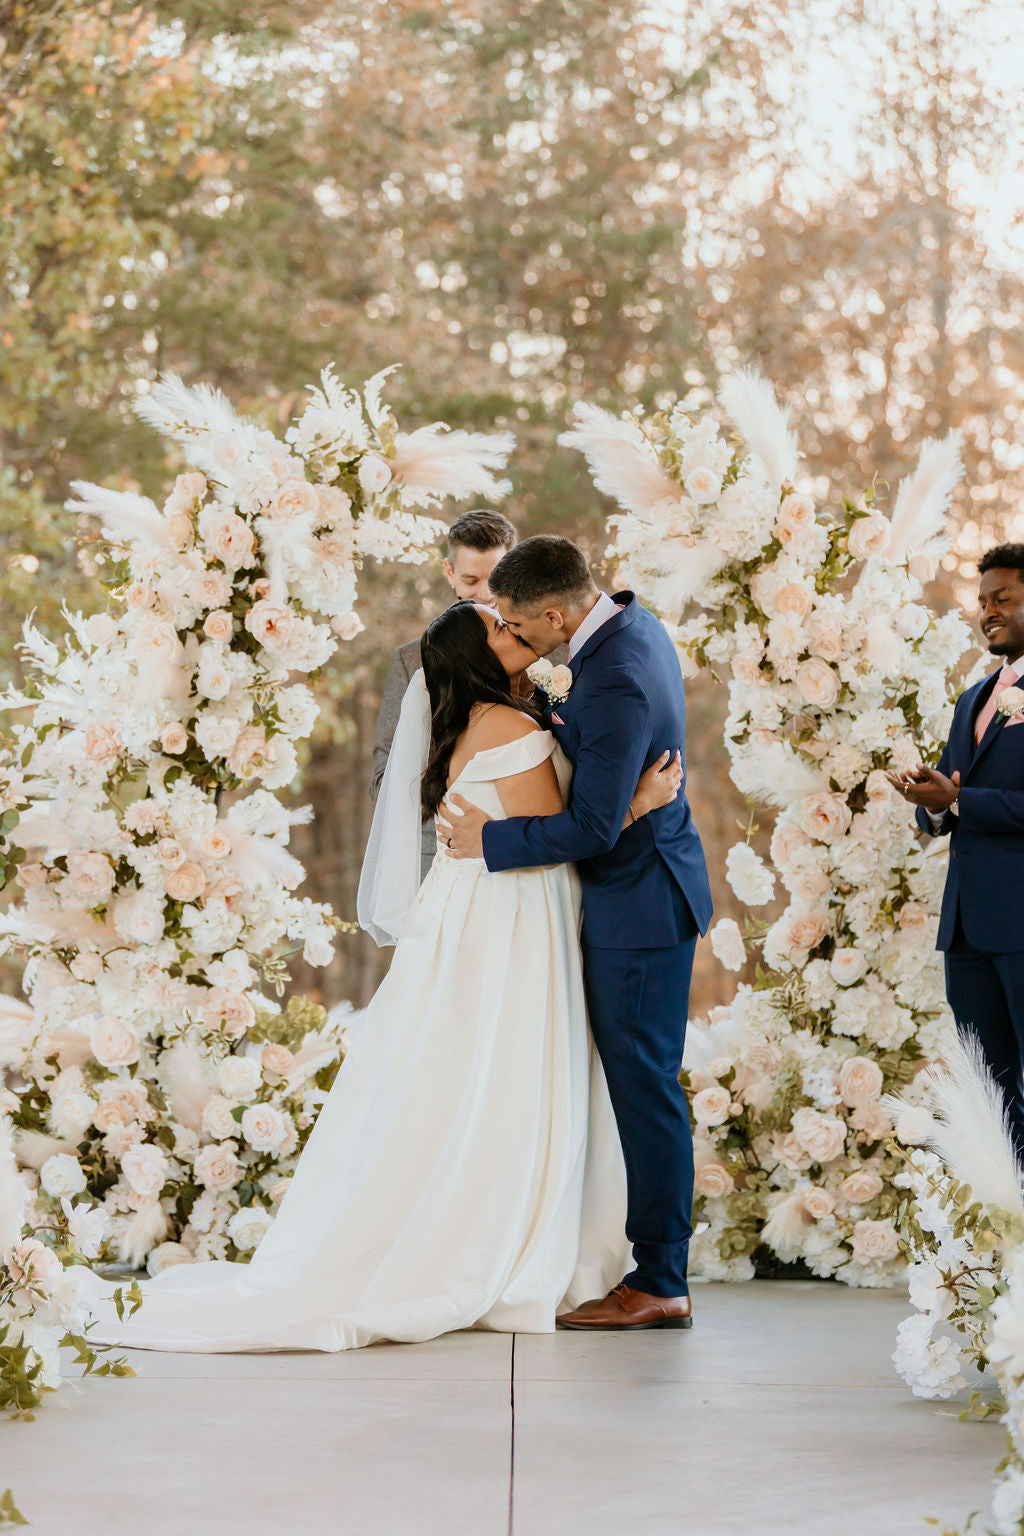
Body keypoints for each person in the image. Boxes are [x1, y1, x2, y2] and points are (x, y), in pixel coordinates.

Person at [83, 602, 681, 1352]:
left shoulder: (483, 725)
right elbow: (564, 838)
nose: (512, 633)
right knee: (508, 1065)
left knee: (472, 1068)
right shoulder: (515, 731)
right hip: (513, 915)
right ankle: (496, 1225)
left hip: (479, 907)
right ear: (476, 659)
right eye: (497, 629)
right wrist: (640, 804)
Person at [442, 536, 713, 1332]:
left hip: (640, 905)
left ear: (556, 614)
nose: (518, 648)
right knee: (639, 1082)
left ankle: (661, 1276)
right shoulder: (631, 624)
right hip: (644, 890)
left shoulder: (618, 676)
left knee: (645, 1087)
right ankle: (649, 1262)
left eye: (521, 632)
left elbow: (593, 826)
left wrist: (488, 843)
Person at [889, 542, 1024, 1162]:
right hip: (967, 929)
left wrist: (965, 802)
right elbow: (947, 797)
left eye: (1003, 598)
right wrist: (936, 802)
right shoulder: (973, 696)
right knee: (987, 1089)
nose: (987, 612)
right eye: (983, 601)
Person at [370, 509, 518, 881]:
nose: (484, 594)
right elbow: (382, 780)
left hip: (531, 849)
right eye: (471, 580)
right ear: (450, 573)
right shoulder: (410, 660)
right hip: (441, 855)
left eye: (495, 579)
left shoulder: (549, 652)